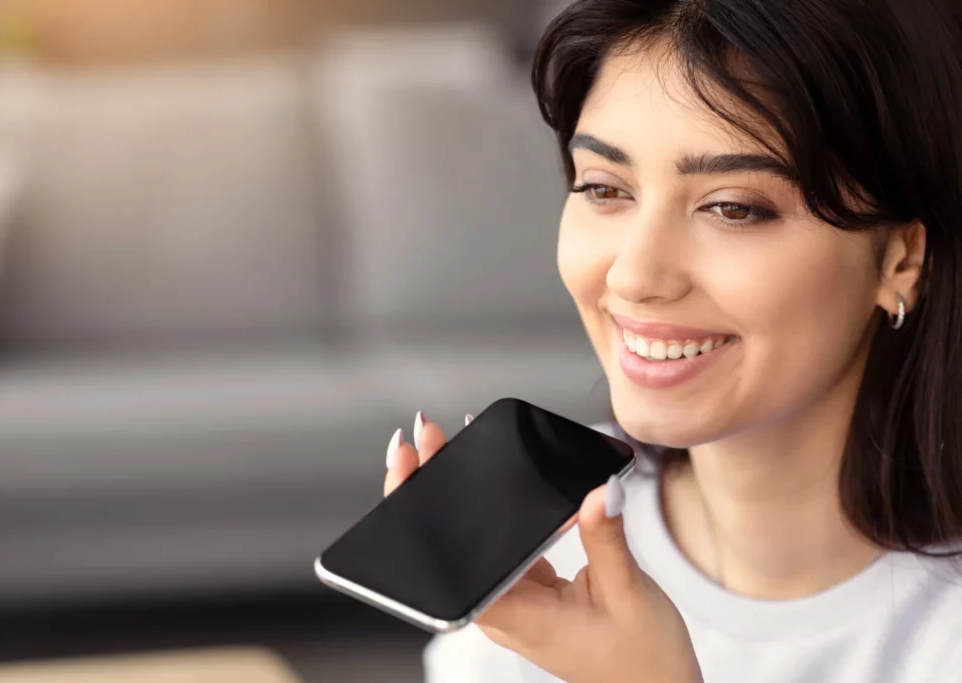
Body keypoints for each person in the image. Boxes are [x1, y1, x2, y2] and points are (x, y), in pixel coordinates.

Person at [383, 0, 962, 681]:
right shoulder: (542, 560)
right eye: (603, 187)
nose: (635, 274)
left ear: (899, 258)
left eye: (733, 207)